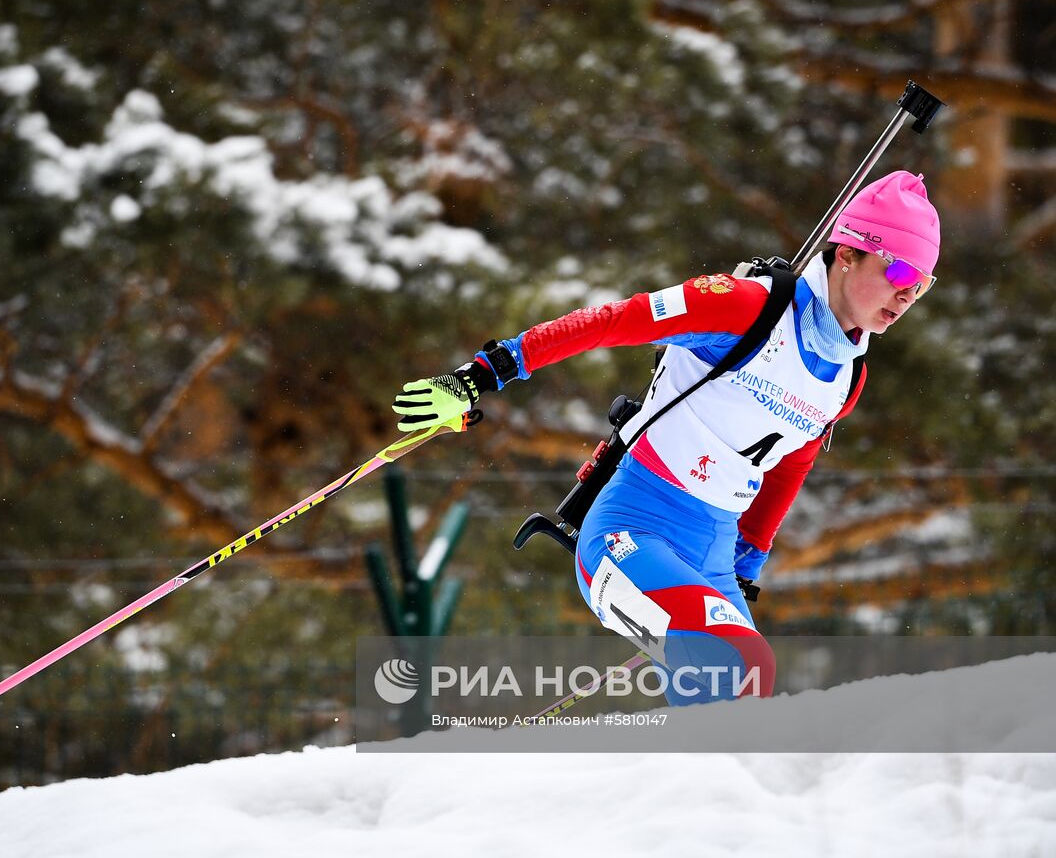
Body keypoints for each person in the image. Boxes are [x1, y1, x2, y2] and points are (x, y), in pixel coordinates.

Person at [392, 171, 941, 703]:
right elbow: (613, 320)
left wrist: (747, 568)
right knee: (743, 666)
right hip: (630, 537)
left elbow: (791, 459)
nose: (906, 297)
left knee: (746, 706)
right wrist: (487, 372)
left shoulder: (848, 375)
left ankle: (678, 795)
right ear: (847, 253)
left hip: (715, 558)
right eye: (899, 275)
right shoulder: (744, 305)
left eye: (922, 287)